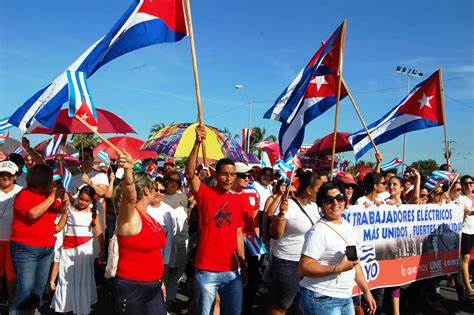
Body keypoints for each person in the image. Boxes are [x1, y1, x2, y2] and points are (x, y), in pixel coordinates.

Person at [185, 125, 246, 315]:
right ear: (216, 175)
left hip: (231, 270)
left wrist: (242, 262)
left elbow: (237, 233)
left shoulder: (238, 200)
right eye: (224, 174)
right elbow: (189, 174)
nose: (229, 178)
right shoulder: (205, 194)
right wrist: (196, 143)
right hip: (207, 269)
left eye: (232, 174)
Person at [298, 181, 376, 315]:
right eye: (329, 200)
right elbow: (303, 268)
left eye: (339, 198)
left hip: (345, 297)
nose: (335, 203)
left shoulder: (347, 225)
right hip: (321, 298)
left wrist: (366, 291)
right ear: (321, 205)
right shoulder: (318, 231)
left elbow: (354, 264)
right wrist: (337, 268)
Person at [112, 151, 167, 314]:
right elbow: (129, 197)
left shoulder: (149, 216)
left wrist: (159, 281)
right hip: (131, 287)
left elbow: (155, 252)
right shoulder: (129, 215)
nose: (158, 190)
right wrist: (128, 170)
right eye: (153, 186)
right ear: (146, 191)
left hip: (154, 286)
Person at [9, 164, 66, 314]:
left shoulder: (48, 195)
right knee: (25, 290)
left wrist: (64, 199)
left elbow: (60, 209)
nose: (51, 181)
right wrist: (54, 196)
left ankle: (32, 311)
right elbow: (33, 213)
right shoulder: (24, 195)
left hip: (46, 248)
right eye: (49, 178)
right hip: (25, 248)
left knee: (37, 291)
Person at [269, 170, 322, 315]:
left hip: (307, 263)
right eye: (319, 189)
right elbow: (275, 234)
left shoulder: (315, 207)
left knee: (301, 305)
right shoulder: (288, 206)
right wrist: (280, 215)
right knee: (282, 305)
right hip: (287, 263)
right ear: (309, 189)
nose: (321, 192)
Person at [51, 185, 104, 314]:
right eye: (81, 199)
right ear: (77, 196)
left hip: (84, 253)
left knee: (82, 280)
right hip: (68, 250)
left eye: (86, 200)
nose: (82, 202)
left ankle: (81, 309)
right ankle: (64, 307)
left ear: (91, 200)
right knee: (65, 278)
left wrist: (102, 250)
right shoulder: (68, 209)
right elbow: (58, 227)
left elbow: (99, 234)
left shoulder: (93, 213)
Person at [231, 162, 260, 315]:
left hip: (251, 243)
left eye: (249, 176)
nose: (247, 179)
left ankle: (246, 309)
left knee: (253, 279)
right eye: (243, 176)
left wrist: (258, 242)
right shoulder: (226, 196)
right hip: (232, 245)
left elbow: (255, 218)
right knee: (234, 282)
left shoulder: (252, 193)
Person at [162, 171, 189, 310]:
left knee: (175, 273)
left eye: (177, 181)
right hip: (163, 243)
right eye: (170, 180)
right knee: (163, 273)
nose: (173, 183)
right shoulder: (159, 197)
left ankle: (170, 299)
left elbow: (185, 218)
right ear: (165, 181)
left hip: (180, 242)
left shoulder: (183, 198)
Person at [0, 161, 22, 303]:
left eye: (9, 175)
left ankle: (11, 302)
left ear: (15, 176)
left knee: (11, 275)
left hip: (13, 240)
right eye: (2, 174)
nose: (5, 177)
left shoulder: (21, 191)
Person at [458, 175, 474, 297]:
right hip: (465, 230)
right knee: (466, 258)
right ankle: (467, 286)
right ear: (462, 185)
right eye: (466, 183)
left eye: (471, 183)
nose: (469, 185)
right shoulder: (461, 199)